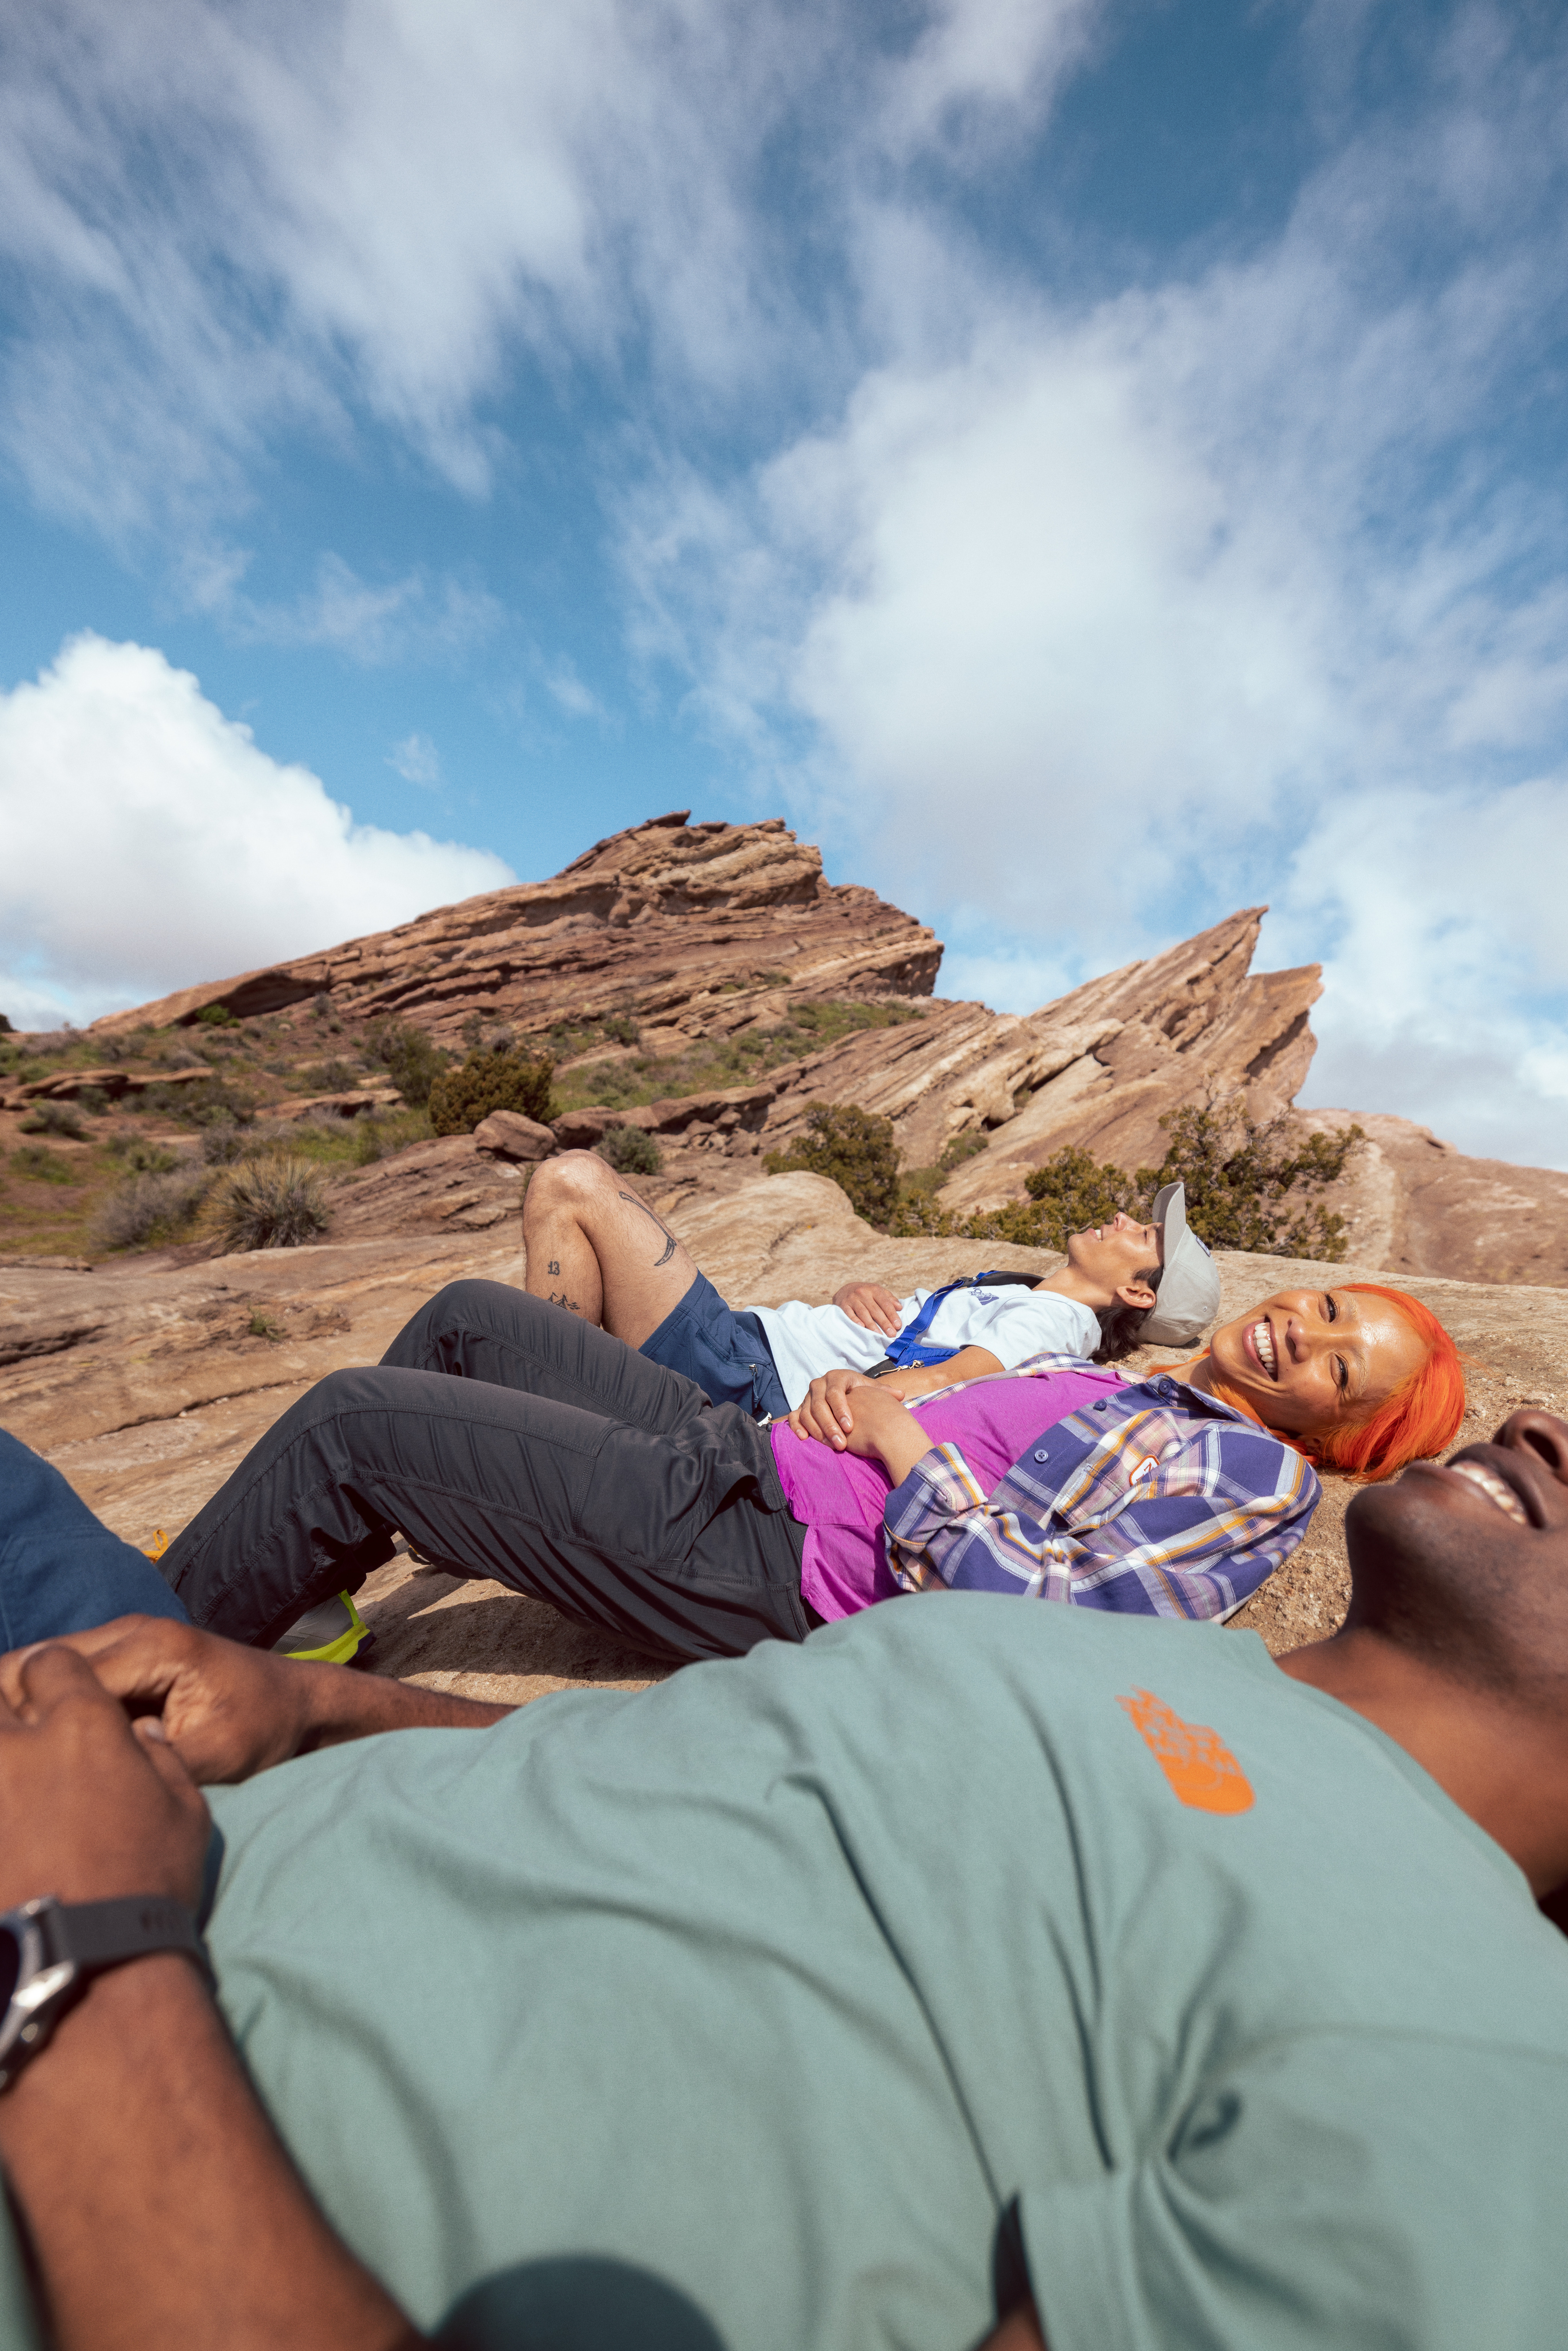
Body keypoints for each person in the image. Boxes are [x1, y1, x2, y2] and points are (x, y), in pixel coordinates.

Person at [0, 1403, 1565, 2349]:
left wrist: (82, 1957)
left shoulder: (1494, 2077)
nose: (1551, 1420)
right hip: (155, 1797)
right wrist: (316, 1703)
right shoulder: (1176, 1665)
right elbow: (741, 1762)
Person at [7, 1220, 1450, 1666]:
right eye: (1325, 1308)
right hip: (748, 1453)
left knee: (353, 1423)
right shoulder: (1153, 1395)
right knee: (465, 1318)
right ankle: (295, 1594)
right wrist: (873, 1392)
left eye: (1339, 1366)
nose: (1299, 1335)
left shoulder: (1247, 1477)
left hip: (766, 1559)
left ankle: (114, 1677)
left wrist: (895, 1439)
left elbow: (1058, 1622)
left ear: (1346, 1435)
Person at [521, 1155, 1221, 1416]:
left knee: (571, 1182)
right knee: (571, 1213)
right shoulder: (1028, 1292)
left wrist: (834, 1405)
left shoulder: (1058, 1324)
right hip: (748, 1352)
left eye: (1146, 1237)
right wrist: (852, 1293)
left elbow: (955, 1378)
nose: (1127, 1217)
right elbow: (925, 1342)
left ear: (1138, 1294)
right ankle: (534, 1413)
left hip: (748, 1374)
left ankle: (525, 1420)